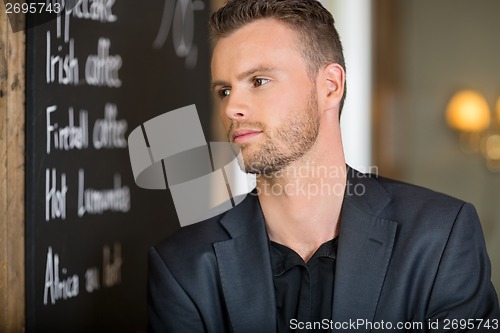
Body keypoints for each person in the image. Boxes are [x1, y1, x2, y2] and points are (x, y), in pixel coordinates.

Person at [147, 0, 500, 332]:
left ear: (330, 86)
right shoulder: (183, 266)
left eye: (258, 81)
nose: (231, 108)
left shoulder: (440, 237)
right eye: (224, 90)